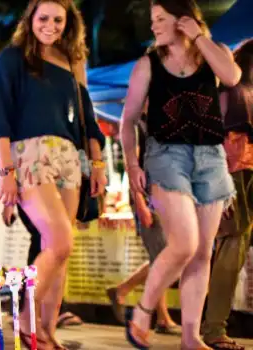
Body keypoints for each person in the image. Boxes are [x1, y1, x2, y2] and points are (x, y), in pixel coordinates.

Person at [118, 0, 242, 348]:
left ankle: (191, 337)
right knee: (184, 243)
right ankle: (143, 310)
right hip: (165, 155)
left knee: (203, 252)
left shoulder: (212, 52)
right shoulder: (148, 64)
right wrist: (131, 166)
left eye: (161, 19)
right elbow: (126, 123)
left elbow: (232, 77)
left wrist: (199, 37)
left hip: (210, 156)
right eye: (152, 20)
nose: (154, 26)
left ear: (184, 20)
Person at [0, 0, 107, 348]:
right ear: (30, 19)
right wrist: (6, 170)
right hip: (28, 154)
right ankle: (27, 317)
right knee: (60, 241)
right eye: (43, 18)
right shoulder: (12, 58)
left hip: (69, 157)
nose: (50, 25)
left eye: (58, 19)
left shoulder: (72, 63)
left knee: (61, 252)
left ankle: (46, 334)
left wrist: (96, 164)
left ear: (68, 23)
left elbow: (89, 120)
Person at [105, 113, 180, 335]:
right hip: (146, 196)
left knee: (163, 255)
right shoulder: (135, 124)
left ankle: (123, 290)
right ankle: (160, 316)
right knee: (162, 255)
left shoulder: (159, 120)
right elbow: (132, 164)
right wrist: (140, 202)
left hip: (163, 193)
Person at [201, 38, 253, 350]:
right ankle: (214, 327)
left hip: (243, 167)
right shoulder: (227, 88)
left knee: (234, 244)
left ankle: (214, 326)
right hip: (231, 170)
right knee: (233, 243)